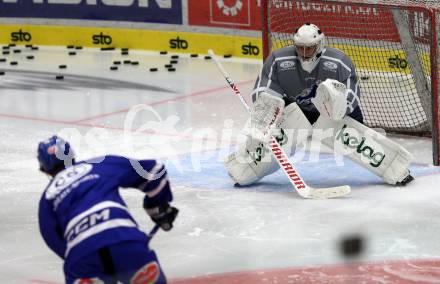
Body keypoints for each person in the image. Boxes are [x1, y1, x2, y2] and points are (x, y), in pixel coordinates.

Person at [224, 23, 414, 187]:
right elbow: (262, 88)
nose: (305, 53)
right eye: (300, 47)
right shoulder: (279, 60)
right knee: (278, 136)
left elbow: (352, 94)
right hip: (297, 111)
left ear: (320, 44)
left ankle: (395, 168)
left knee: (351, 135)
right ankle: (243, 168)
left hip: (330, 112)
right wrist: (268, 107)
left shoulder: (338, 62)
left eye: (310, 48)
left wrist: (340, 109)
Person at [37, 135, 178, 284]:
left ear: (44, 169)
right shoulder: (101, 165)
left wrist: (84, 256)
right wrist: (157, 208)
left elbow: (54, 239)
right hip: (125, 240)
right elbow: (155, 170)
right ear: (71, 155)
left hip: (82, 258)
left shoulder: (47, 199)